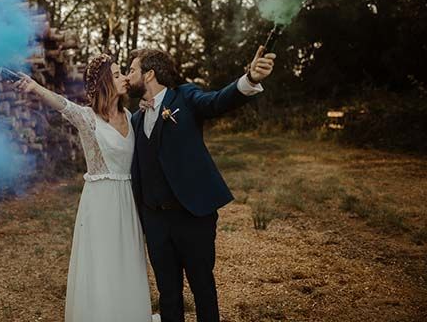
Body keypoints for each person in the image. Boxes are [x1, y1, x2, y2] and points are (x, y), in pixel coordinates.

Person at [126, 46, 276, 322]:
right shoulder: (135, 118)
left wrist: (250, 79)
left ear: (148, 74)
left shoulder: (185, 96)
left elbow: (217, 101)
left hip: (192, 215)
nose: (127, 76)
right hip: (155, 219)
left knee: (202, 289)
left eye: (132, 70)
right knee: (167, 293)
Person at [15, 54, 159, 322]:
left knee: (128, 262)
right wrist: (35, 87)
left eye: (122, 73)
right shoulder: (88, 119)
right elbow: (63, 105)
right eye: (116, 75)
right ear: (105, 82)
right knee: (103, 265)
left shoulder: (131, 115)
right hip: (101, 201)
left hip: (128, 201)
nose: (124, 78)